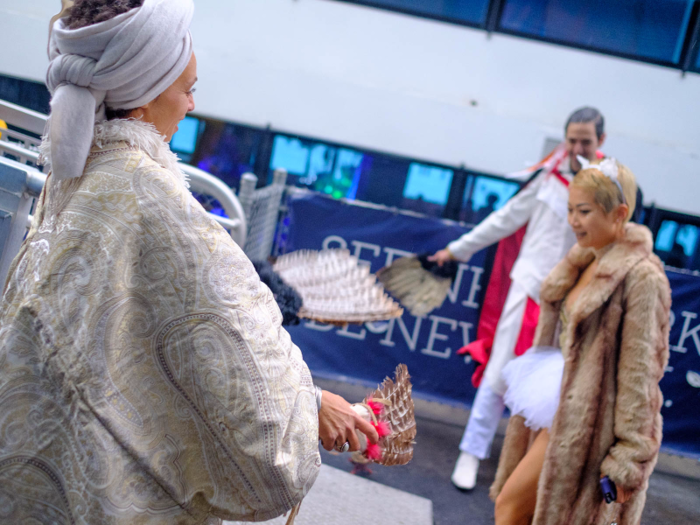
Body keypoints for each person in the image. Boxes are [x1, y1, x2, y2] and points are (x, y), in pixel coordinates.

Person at [0, 1, 377, 523]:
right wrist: (310, 408)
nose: (192, 105)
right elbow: (243, 383)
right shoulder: (148, 195)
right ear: (142, 96)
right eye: (187, 88)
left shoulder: (76, 175)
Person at [430, 107, 607, 490]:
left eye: (586, 141)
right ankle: (472, 452)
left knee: (554, 389)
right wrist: (456, 251)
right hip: (527, 289)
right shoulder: (548, 179)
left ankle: (525, 473)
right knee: (500, 371)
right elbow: (504, 219)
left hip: (573, 304)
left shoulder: (609, 190)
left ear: (600, 143)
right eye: (572, 139)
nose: (577, 147)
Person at [491, 159, 670, 525]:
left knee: (510, 506)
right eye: (571, 209)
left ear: (619, 213)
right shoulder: (583, 260)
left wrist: (630, 457)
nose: (573, 220)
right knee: (524, 512)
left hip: (590, 426)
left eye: (584, 211)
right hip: (559, 406)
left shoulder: (643, 278)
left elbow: (640, 373)